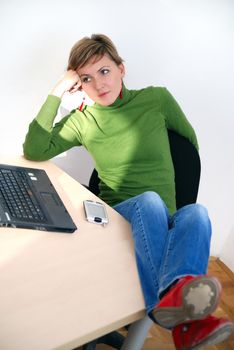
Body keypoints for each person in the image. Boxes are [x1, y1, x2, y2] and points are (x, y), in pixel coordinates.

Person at [23, 34, 233, 349]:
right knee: (150, 201)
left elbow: (189, 148)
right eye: (86, 78)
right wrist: (57, 90)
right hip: (119, 215)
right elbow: (35, 149)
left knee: (197, 214)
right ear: (78, 84)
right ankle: (178, 313)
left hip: (165, 218)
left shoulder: (157, 99)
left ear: (122, 69)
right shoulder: (84, 120)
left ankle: (182, 317)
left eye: (104, 71)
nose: (98, 84)